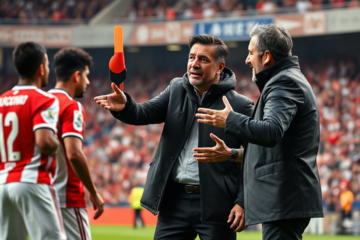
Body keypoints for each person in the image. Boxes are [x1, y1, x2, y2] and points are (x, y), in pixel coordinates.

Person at [95, 34, 254, 239]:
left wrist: (242, 201)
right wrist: (125, 105)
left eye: (203, 59)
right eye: (191, 57)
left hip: (217, 204)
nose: (194, 64)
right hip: (174, 202)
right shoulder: (176, 88)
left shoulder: (241, 106)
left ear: (220, 67)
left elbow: (254, 157)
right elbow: (142, 113)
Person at [194, 24, 323, 240]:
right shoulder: (286, 79)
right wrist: (232, 154)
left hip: (284, 199)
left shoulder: (284, 82)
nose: (247, 60)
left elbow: (271, 131)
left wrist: (230, 119)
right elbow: (280, 151)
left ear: (266, 57)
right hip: (285, 199)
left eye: (250, 53)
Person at [0, 42, 66, 240]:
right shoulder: (44, 99)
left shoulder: (1, 100)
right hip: (32, 180)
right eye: (47, 65)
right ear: (41, 68)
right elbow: (45, 141)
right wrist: (58, 144)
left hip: (3, 182)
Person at [50, 48, 104, 240]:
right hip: (67, 195)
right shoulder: (71, 106)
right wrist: (94, 191)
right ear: (76, 75)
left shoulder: (39, 103)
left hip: (42, 194)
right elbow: (74, 153)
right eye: (86, 76)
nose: (88, 82)